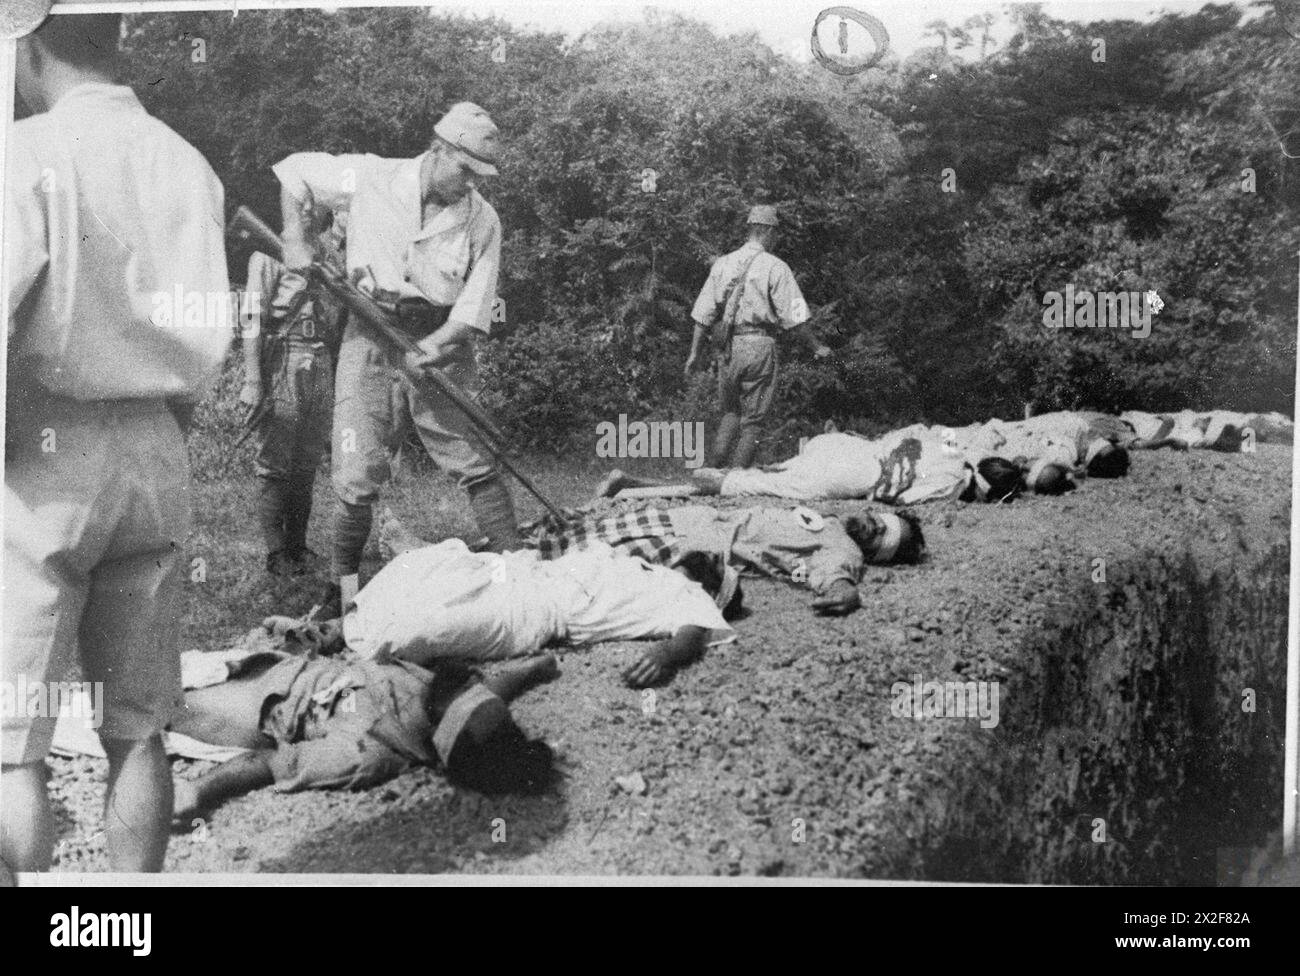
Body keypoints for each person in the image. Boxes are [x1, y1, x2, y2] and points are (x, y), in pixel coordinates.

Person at [3, 14, 230, 872]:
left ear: (25, 46)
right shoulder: (186, 161)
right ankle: (120, 928)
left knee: (12, 739)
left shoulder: (25, 154)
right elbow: (210, 328)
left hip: (43, 445)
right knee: (137, 730)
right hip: (159, 442)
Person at [273, 102, 520, 617]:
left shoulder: (483, 219)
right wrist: (296, 237)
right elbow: (294, 170)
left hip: (438, 341)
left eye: (481, 174)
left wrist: (439, 345)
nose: (470, 183)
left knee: (470, 456)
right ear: (438, 149)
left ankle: (516, 573)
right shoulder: (372, 176)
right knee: (356, 465)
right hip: (369, 331)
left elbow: (475, 302)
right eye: (464, 168)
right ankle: (343, 594)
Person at [170, 649, 558, 821]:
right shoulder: (447, 695)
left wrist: (201, 791)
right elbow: (495, 686)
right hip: (286, 663)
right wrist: (536, 668)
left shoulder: (367, 751)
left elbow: (270, 762)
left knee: (135, 704)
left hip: (259, 706)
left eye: (464, 696)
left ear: (445, 731)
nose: (470, 682)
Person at [343, 538, 737, 688]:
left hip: (538, 610)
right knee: (421, 564)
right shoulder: (642, 564)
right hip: (521, 569)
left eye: (718, 567)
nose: (710, 557)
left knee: (419, 631)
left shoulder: (689, 594)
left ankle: (349, 641)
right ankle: (337, 624)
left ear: (717, 590)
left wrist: (665, 656)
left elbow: (694, 632)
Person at [514, 503, 925, 617]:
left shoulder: (846, 548)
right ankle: (494, 557)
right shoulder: (834, 519)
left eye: (882, 536)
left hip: (691, 544)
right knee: (572, 538)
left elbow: (836, 570)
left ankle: (502, 576)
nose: (872, 525)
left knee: (569, 564)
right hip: (688, 520)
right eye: (879, 520)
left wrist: (842, 589)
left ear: (878, 553)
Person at [240, 209, 347, 575]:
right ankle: (276, 554)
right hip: (284, 356)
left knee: (307, 460)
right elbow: (252, 318)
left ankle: (298, 546)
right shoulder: (270, 251)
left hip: (320, 359)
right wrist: (253, 380)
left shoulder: (332, 254)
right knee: (275, 463)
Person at [684, 204, 830, 468]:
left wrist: (694, 353)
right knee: (753, 421)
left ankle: (711, 470)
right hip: (759, 346)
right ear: (767, 231)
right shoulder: (776, 267)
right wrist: (816, 345)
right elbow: (795, 314)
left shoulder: (723, 263)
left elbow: (702, 313)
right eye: (775, 233)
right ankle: (737, 478)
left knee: (730, 412)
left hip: (729, 347)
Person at [597, 430, 1024, 506]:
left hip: (848, 449)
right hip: (855, 476)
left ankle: (631, 483)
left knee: (770, 474)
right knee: (737, 487)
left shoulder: (951, 449)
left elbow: (914, 435)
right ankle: (636, 488)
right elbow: (899, 497)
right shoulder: (953, 482)